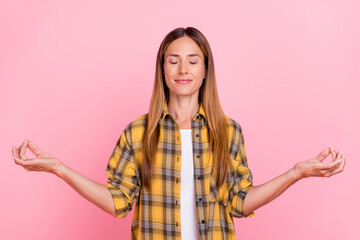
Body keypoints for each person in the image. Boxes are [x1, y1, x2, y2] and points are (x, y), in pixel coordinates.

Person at [12, 27, 346, 240]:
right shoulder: (138, 132)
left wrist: (297, 174)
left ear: (205, 71)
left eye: (192, 61)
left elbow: (240, 202)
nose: (183, 69)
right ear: (162, 70)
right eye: (173, 61)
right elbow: (117, 202)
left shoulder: (228, 132)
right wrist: (59, 169)